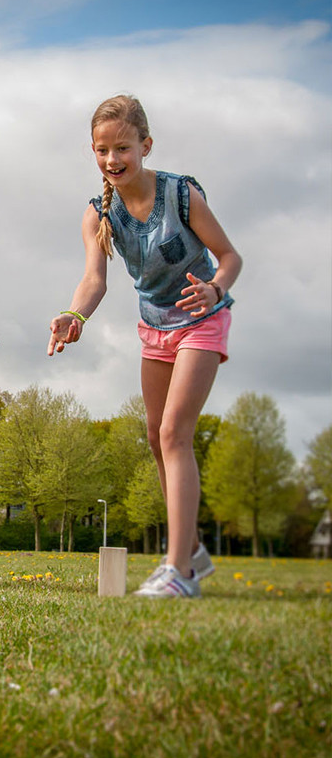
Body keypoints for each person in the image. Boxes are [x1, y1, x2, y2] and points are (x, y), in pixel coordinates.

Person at [47, 94, 242, 598]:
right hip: (154, 328)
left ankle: (178, 571)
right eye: (102, 150)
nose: (112, 160)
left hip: (202, 319)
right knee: (156, 437)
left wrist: (215, 289)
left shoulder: (180, 197)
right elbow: (95, 281)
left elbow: (229, 256)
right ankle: (192, 549)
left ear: (145, 145)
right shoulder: (97, 214)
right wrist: (73, 315)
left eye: (123, 149)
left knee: (176, 431)